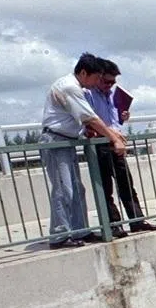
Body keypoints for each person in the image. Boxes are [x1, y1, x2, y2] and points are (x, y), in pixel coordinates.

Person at [40, 53, 127, 249]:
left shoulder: (76, 87)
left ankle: (80, 230)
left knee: (77, 188)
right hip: (56, 141)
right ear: (84, 73)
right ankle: (60, 235)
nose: (97, 82)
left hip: (68, 141)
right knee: (64, 189)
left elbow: (88, 120)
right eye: (96, 78)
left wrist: (103, 131)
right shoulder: (69, 87)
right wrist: (113, 137)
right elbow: (89, 117)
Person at [84, 58, 156, 237]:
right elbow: (91, 121)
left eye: (113, 82)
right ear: (98, 77)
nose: (109, 85)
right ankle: (114, 224)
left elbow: (114, 120)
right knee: (105, 187)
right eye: (106, 81)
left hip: (116, 143)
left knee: (126, 183)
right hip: (100, 144)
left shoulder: (111, 95)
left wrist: (123, 116)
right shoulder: (88, 95)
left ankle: (136, 220)